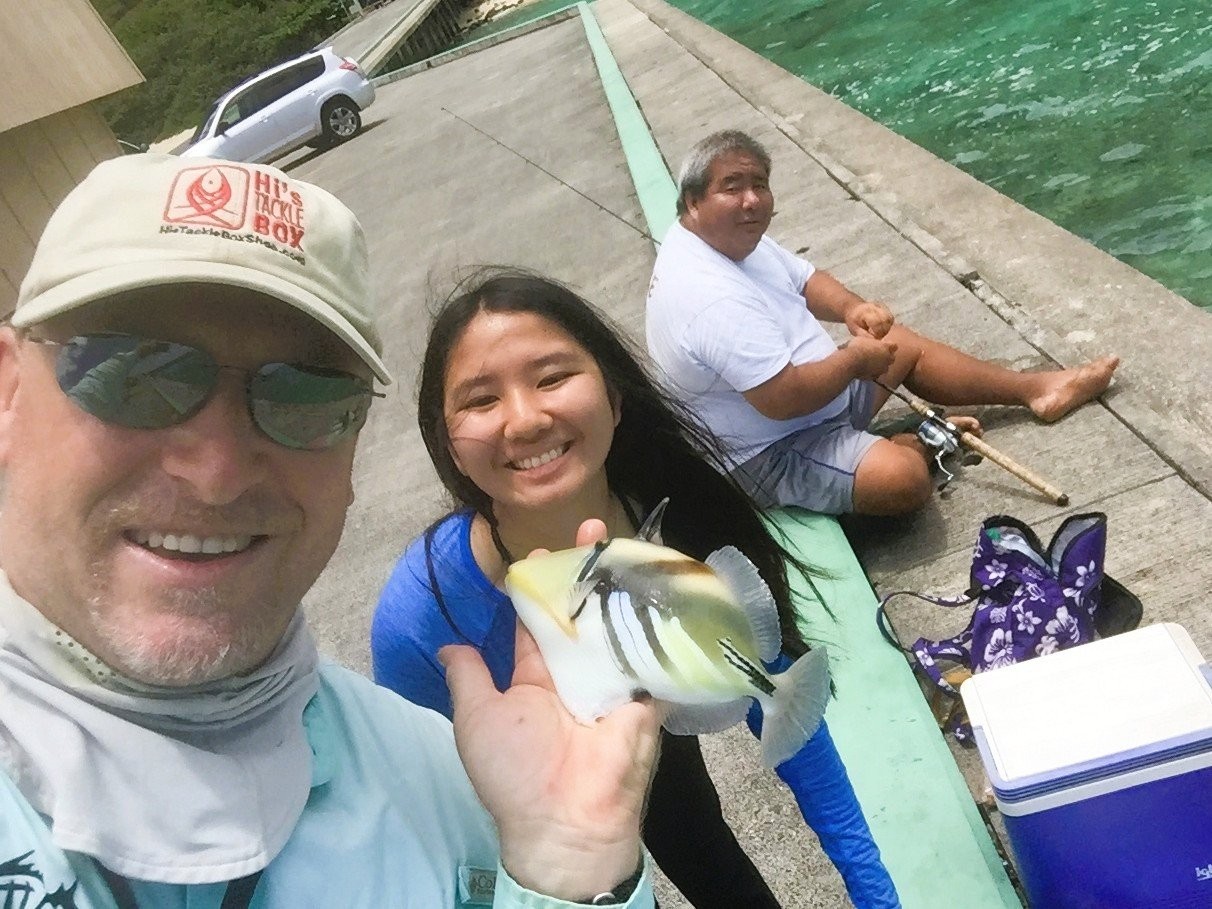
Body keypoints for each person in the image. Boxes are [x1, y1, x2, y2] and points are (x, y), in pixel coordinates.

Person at [0, 154, 660, 907]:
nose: (218, 473)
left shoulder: (455, 780)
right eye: (132, 373)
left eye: (305, 396)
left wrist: (569, 873)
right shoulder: (426, 628)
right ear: (9, 391)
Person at [372, 270, 901, 908]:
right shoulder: (423, 616)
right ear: (449, 446)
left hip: (648, 731)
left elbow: (788, 709)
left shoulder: (684, 519)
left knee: (700, 841)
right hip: (522, 834)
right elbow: (435, 836)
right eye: (481, 400)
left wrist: (878, 899)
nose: (526, 419)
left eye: (551, 378)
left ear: (615, 399)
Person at [646, 129, 1120, 516]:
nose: (752, 200)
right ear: (692, 202)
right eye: (732, 187)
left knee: (898, 342)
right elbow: (782, 399)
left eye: (760, 185)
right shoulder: (707, 294)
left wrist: (853, 309)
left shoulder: (732, 237)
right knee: (902, 481)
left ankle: (1035, 390)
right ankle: (916, 444)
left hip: (818, 400)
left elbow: (805, 279)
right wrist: (854, 362)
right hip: (772, 449)